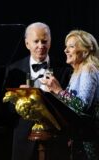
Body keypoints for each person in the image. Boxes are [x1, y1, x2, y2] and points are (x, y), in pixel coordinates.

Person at [4, 22, 72, 160]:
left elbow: (69, 106)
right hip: (24, 140)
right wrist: (18, 98)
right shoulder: (13, 70)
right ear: (27, 43)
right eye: (36, 41)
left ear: (50, 42)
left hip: (56, 140)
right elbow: (5, 109)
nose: (41, 46)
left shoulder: (64, 69)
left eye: (44, 41)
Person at [40, 29, 99, 160]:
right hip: (79, 136)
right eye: (66, 47)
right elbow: (70, 105)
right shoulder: (77, 71)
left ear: (86, 50)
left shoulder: (88, 69)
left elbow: (82, 106)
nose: (65, 50)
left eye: (71, 47)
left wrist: (58, 90)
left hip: (89, 139)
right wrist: (51, 93)